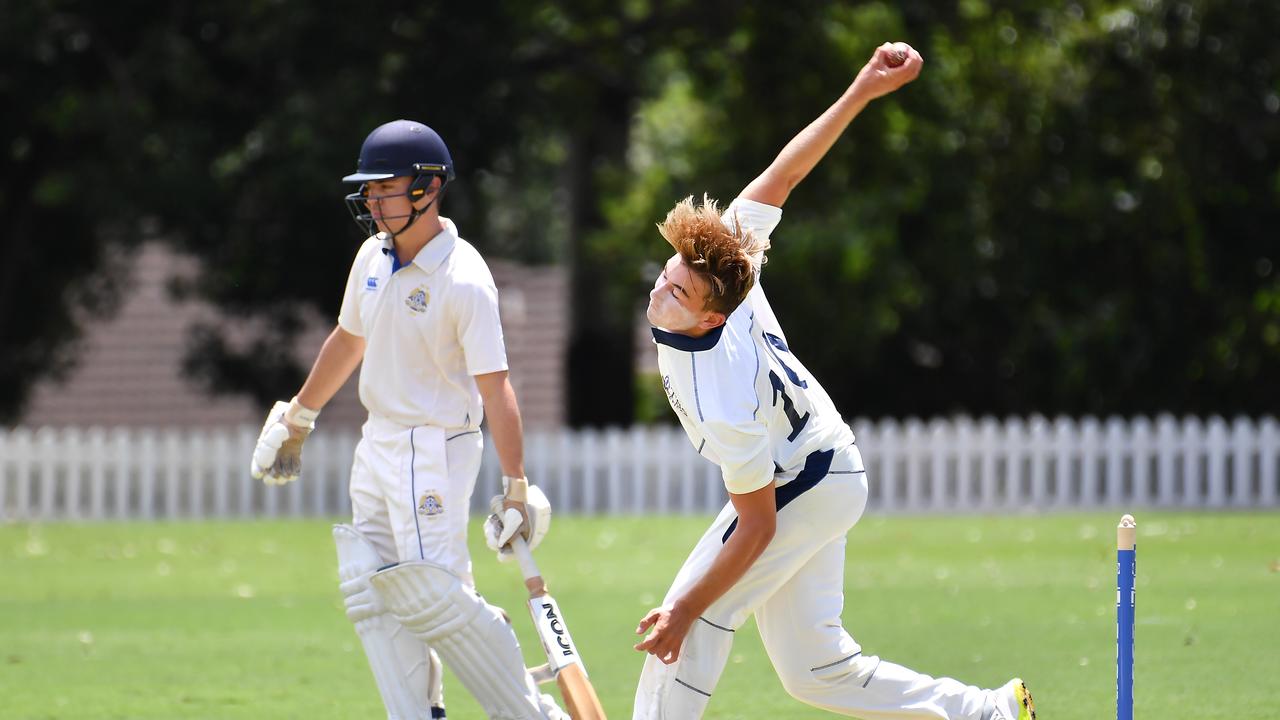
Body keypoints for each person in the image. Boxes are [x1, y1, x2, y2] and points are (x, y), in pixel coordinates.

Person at [631, 43, 1036, 720]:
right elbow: (783, 179)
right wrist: (861, 90)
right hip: (827, 465)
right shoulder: (731, 256)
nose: (659, 289)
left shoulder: (719, 393)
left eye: (677, 292)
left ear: (710, 316)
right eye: (666, 274)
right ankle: (986, 712)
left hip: (806, 480)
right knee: (816, 670)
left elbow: (756, 527)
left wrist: (685, 610)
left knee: (692, 621)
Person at [249, 119, 565, 720]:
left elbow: (496, 388)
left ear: (427, 187)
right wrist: (299, 418)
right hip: (379, 438)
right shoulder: (371, 255)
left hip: (437, 445)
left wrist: (516, 485)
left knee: (433, 596)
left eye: (384, 187)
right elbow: (348, 339)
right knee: (368, 586)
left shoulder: (464, 279)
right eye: (367, 190)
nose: (372, 200)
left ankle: (529, 715)